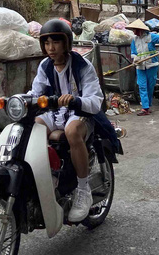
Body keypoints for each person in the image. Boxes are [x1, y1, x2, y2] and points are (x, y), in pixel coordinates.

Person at [30, 19, 104, 222]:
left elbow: (95, 101)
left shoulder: (82, 66)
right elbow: (36, 92)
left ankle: (83, 190)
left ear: (66, 43)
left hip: (80, 114)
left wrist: (75, 100)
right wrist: (22, 100)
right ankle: (47, 179)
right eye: (46, 43)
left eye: (56, 42)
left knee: (71, 132)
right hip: (55, 114)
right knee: (32, 128)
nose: (51, 48)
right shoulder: (45, 66)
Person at [127, 19, 159, 116]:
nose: (134, 31)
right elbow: (133, 52)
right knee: (142, 86)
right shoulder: (134, 40)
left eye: (135, 30)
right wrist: (135, 59)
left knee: (150, 86)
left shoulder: (151, 37)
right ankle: (145, 108)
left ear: (140, 29)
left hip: (152, 65)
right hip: (140, 66)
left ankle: (147, 105)